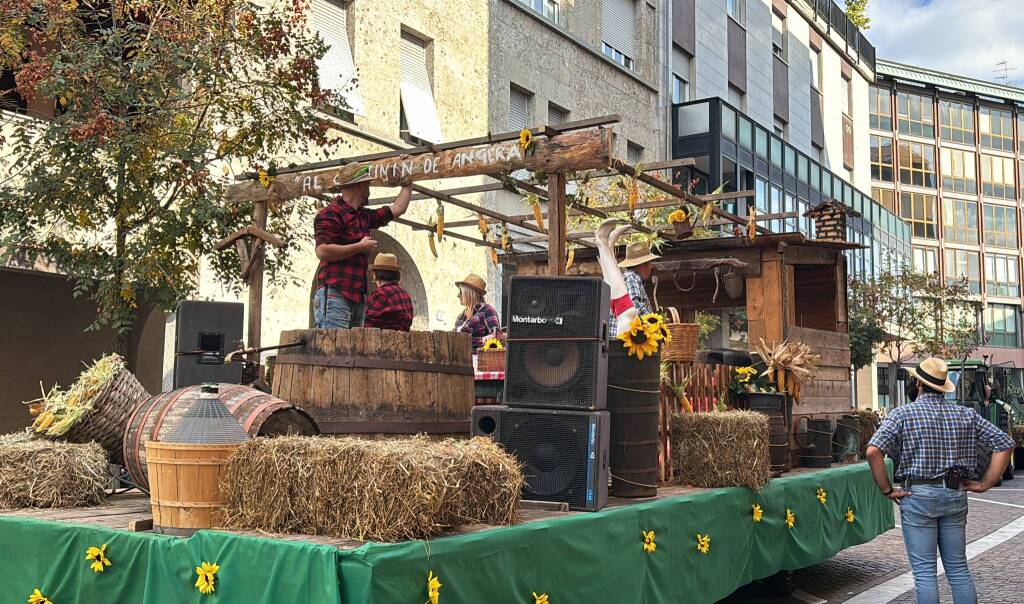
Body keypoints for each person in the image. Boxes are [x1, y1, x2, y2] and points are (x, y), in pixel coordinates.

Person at [866, 357, 1015, 604]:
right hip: (955, 494)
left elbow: (873, 451)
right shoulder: (966, 415)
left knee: (925, 573)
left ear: (918, 384)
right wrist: (985, 484)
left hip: (919, 495)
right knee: (958, 569)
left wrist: (886, 489)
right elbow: (1005, 444)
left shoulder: (902, 414)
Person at [313, 169, 413, 329]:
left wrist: (408, 183)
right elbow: (322, 251)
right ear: (359, 185)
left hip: (356, 296)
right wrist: (360, 247)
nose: (369, 188)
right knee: (334, 350)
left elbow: (397, 209)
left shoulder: (363, 216)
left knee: (351, 350)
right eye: (367, 184)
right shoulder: (330, 214)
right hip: (336, 292)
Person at [609, 241, 659, 335]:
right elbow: (634, 304)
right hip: (623, 337)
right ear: (645, 264)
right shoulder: (632, 277)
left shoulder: (626, 277)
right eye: (650, 263)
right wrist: (654, 324)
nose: (651, 267)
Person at [363, 253, 414, 331]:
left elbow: (369, 324)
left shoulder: (380, 294)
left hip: (384, 339)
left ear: (375, 274)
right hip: (403, 339)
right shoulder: (405, 294)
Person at [453, 273, 500, 351]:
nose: (458, 295)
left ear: (470, 293)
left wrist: (484, 340)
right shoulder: (460, 317)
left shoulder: (487, 310)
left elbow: (497, 336)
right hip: (459, 359)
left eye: (461, 292)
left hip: (479, 359)